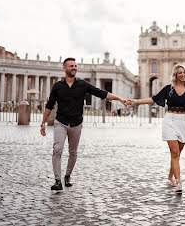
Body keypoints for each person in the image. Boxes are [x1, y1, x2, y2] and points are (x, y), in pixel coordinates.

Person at [40, 57, 130, 191]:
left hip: (76, 123)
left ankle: (67, 175)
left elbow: (101, 93)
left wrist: (119, 98)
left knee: (73, 152)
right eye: (71, 66)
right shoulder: (58, 86)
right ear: (64, 68)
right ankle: (57, 181)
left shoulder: (82, 84)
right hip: (61, 122)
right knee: (57, 149)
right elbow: (49, 105)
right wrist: (43, 123)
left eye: (75, 66)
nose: (74, 68)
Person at [132, 64, 185, 194]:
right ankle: (179, 182)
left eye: (184, 72)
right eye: (180, 73)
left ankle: (170, 176)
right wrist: (136, 101)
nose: (183, 75)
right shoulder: (169, 89)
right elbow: (153, 99)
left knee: (177, 154)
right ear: (175, 75)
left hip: (183, 121)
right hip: (170, 121)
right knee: (175, 153)